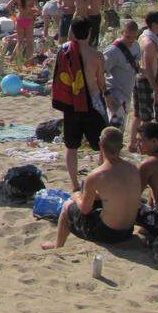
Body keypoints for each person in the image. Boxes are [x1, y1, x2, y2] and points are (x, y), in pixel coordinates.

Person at [42, 127, 141, 250]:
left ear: (100, 145)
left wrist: (77, 196)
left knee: (67, 206)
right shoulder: (133, 169)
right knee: (98, 201)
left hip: (108, 233)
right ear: (121, 146)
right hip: (127, 231)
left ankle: (58, 246)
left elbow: (84, 209)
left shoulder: (96, 175)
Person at [52, 18, 109, 191]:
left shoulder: (64, 50)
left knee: (72, 146)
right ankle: (101, 178)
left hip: (71, 102)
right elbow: (100, 82)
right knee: (103, 143)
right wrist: (107, 96)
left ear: (72, 32)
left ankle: (75, 184)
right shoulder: (96, 56)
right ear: (90, 33)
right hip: (91, 101)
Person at [132, 12, 158, 150]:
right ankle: (143, 146)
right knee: (146, 117)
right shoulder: (149, 43)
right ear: (154, 24)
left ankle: (132, 144)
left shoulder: (143, 37)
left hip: (140, 79)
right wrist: (156, 89)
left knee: (138, 115)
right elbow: (148, 68)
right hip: (145, 81)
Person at [102, 20, 140, 128]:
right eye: (128, 37)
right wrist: (107, 95)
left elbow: (135, 66)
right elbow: (99, 73)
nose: (131, 40)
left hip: (127, 94)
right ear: (122, 32)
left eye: (134, 37)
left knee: (121, 128)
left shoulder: (136, 46)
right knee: (115, 128)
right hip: (115, 95)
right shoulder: (112, 51)